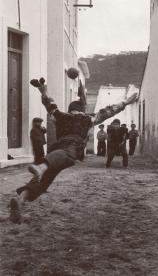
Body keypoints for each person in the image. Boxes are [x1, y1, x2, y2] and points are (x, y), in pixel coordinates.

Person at [9, 76, 137, 223]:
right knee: (66, 156)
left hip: (55, 148)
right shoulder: (87, 118)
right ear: (82, 110)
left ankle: (20, 200)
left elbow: (49, 103)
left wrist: (42, 91)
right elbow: (109, 111)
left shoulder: (59, 116)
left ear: (70, 109)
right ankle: (41, 167)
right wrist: (126, 101)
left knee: (44, 181)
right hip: (71, 147)